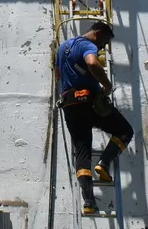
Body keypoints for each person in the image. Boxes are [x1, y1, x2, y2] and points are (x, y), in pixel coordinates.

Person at [55, 21, 135, 215]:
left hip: (70, 105)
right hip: (90, 102)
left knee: (82, 154)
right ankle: (105, 163)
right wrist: (106, 86)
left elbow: (58, 74)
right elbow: (92, 62)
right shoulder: (87, 45)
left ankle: (89, 202)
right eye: (103, 43)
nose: (101, 48)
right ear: (98, 34)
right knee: (125, 131)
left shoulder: (62, 47)